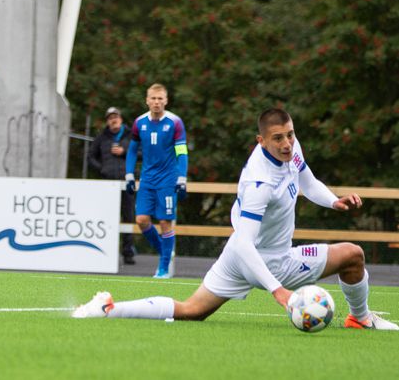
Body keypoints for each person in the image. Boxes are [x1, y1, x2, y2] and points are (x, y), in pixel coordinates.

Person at [73, 108, 399, 330]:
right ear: (261, 141)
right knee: (353, 255)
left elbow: (307, 181)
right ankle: (360, 318)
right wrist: (278, 291)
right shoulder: (259, 183)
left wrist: (333, 200)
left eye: (289, 134)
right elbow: (245, 242)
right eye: (278, 138)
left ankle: (111, 308)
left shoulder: (290, 148)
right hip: (264, 260)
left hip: (240, 255)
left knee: (192, 311)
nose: (286, 143)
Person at [125, 83, 188, 278]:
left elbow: (182, 151)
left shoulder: (175, 122)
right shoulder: (139, 122)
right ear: (147, 100)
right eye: (153, 98)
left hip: (168, 179)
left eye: (160, 98)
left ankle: (163, 268)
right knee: (141, 220)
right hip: (147, 179)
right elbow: (133, 149)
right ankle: (165, 252)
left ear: (166, 101)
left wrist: (182, 178)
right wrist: (129, 174)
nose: (156, 102)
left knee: (165, 222)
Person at [88, 106, 135, 264]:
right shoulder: (101, 137)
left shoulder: (131, 135)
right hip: (108, 184)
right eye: (110, 118)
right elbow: (90, 157)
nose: (113, 120)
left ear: (121, 119)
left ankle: (128, 252)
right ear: (107, 121)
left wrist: (124, 152)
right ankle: (106, 251)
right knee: (106, 217)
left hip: (126, 181)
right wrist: (102, 169)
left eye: (116, 117)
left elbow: (142, 154)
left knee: (128, 216)